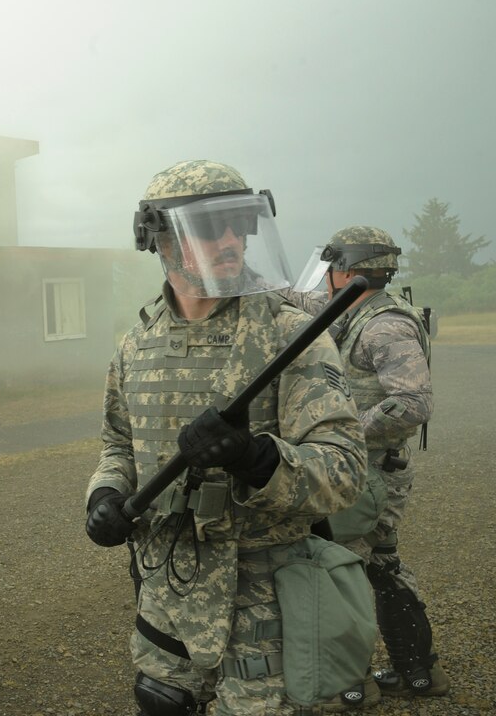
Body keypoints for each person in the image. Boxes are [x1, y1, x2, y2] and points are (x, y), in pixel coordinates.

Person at [84, 160, 367, 715]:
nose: (231, 239)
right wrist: (103, 497)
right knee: (160, 700)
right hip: (164, 582)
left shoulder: (289, 332)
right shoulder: (136, 346)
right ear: (159, 239)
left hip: (262, 595)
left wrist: (255, 457)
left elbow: (345, 469)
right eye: (210, 228)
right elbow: (118, 444)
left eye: (239, 224)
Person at [288, 226, 446, 701]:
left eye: (331, 268)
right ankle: (418, 672)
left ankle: (347, 685)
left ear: (346, 270)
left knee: (340, 571)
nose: (326, 278)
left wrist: (344, 426)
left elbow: (413, 402)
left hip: (370, 472)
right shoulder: (351, 309)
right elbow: (299, 301)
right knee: (382, 567)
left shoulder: (384, 325)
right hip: (367, 468)